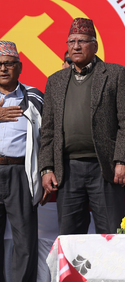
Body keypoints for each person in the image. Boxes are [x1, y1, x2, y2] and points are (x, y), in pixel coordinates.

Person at [39, 17, 125, 235]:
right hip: (68, 169)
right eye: (71, 41)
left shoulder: (115, 74)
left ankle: (111, 271)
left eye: (82, 41)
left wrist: (122, 160)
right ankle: (74, 271)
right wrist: (46, 169)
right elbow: (47, 131)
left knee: (111, 233)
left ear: (95, 45)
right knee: (69, 236)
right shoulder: (55, 80)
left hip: (104, 168)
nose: (76, 46)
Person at [0, 41, 43, 282]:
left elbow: (48, 138)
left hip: (21, 172)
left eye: (9, 64)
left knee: (25, 240)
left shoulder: (34, 96)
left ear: (20, 67)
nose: (3, 69)